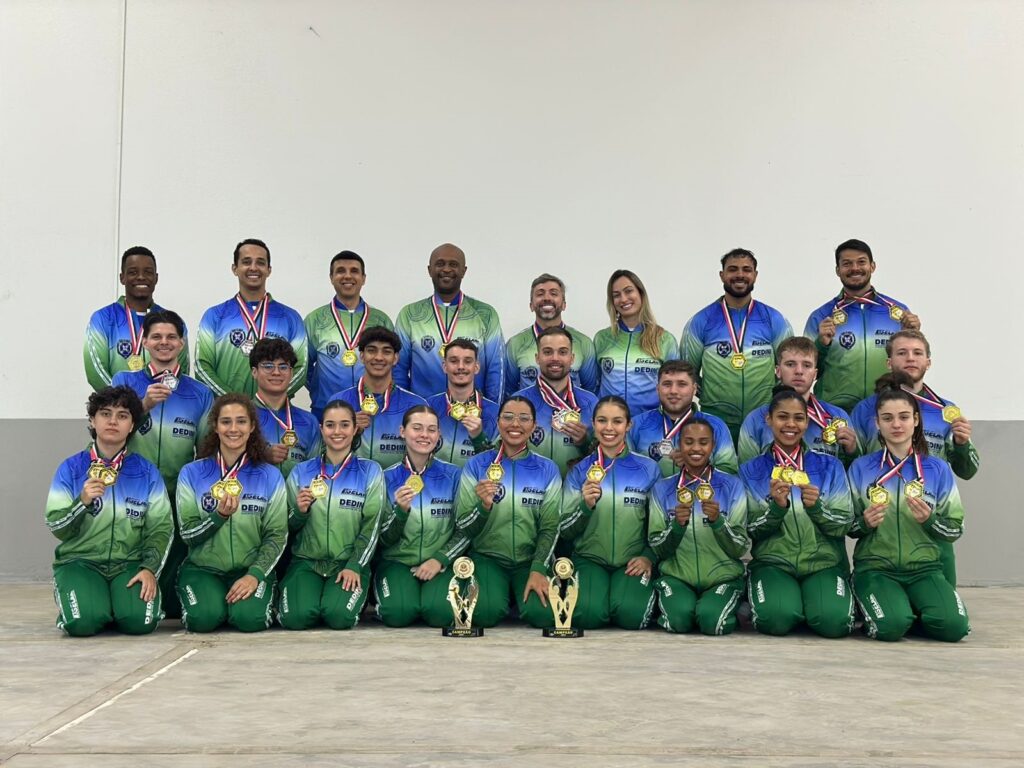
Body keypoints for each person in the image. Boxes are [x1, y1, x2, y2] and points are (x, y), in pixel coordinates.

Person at [46, 386, 172, 636]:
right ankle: (85, 599)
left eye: (122, 415)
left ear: (132, 424)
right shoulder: (71, 469)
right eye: (105, 414)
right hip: (81, 562)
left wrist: (149, 568)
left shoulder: (146, 472)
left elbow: (161, 527)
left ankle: (114, 603)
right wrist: (81, 502)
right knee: (82, 624)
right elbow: (57, 527)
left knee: (140, 623)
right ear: (93, 420)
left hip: (129, 563)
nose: (113, 421)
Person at [112, 310, 213, 618]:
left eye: (171, 337)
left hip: (174, 496)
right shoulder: (124, 382)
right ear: (144, 341)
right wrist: (141, 406)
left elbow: (206, 454)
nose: (164, 343)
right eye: (156, 336)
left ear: (181, 343)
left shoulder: (199, 393)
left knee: (170, 599)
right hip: (130, 491)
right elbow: (109, 435)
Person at [847, 386, 969, 642]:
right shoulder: (861, 468)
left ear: (916, 420)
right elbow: (848, 526)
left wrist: (931, 521)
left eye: (904, 417)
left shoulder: (938, 469)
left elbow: (956, 528)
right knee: (891, 627)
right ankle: (877, 604)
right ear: (877, 423)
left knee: (953, 628)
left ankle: (906, 607)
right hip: (876, 568)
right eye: (888, 418)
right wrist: (865, 523)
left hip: (925, 569)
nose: (896, 424)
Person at [739, 386, 854, 638]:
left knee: (833, 624)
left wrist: (817, 509)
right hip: (774, 563)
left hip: (822, 563)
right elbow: (748, 530)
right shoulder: (751, 471)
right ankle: (781, 601)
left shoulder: (830, 466)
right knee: (776, 621)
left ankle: (810, 603)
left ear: (806, 422)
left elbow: (844, 524)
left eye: (798, 418)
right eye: (782, 416)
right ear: (769, 420)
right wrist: (776, 510)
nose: (790, 424)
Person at [175, 394, 287, 632]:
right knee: (203, 620)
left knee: (250, 620)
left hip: (250, 568)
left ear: (252, 426)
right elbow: (187, 534)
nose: (233, 429)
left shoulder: (270, 475)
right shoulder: (192, 473)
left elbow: (276, 535)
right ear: (215, 426)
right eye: (226, 422)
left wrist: (255, 575)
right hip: (203, 569)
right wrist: (218, 517)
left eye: (241, 421)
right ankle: (211, 602)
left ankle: (252, 598)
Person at [454, 396, 562, 628]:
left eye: (524, 419)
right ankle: (498, 594)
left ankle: (518, 594)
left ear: (533, 426)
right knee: (484, 614)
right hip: (488, 557)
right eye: (508, 417)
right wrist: (483, 507)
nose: (515, 424)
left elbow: (551, 526)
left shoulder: (547, 469)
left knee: (544, 616)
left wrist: (538, 568)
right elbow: (463, 525)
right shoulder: (477, 465)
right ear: (498, 422)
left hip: (528, 559)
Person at [277, 400, 385, 630]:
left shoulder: (370, 471)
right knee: (296, 619)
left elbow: (372, 526)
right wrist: (299, 511)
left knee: (338, 617)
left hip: (347, 563)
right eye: (330, 425)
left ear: (355, 429)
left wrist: (355, 564)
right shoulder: (301, 471)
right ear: (321, 429)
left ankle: (337, 596)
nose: (337, 432)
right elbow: (284, 526)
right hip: (307, 562)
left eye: (344, 425)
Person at [560, 396, 662, 629]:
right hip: (589, 560)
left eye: (617, 422)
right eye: (602, 421)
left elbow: (659, 523)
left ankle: (622, 596)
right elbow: (565, 530)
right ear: (593, 424)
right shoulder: (580, 471)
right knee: (587, 616)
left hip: (632, 561)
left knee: (631, 616)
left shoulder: (648, 469)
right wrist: (585, 506)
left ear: (628, 426)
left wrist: (649, 556)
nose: (609, 428)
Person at [680, 248, 793, 443]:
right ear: (722, 275)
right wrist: (709, 395)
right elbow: (686, 373)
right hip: (716, 420)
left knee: (761, 472)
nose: (740, 275)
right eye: (733, 269)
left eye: (746, 270)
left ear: (755, 275)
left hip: (763, 418)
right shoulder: (701, 321)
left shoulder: (773, 319)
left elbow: (789, 369)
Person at [648, 418, 749, 635]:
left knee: (712, 622)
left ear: (713, 446)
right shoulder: (663, 489)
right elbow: (657, 545)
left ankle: (726, 604)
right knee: (678, 621)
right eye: (689, 442)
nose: (695, 448)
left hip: (722, 576)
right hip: (678, 576)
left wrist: (718, 522)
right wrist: (677, 526)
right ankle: (686, 604)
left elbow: (740, 547)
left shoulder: (732, 486)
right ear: (679, 445)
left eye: (703, 442)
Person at [375, 405, 467, 627]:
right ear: (402, 431)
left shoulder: (454, 475)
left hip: (439, 562)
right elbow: (382, 539)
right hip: (397, 562)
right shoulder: (385, 477)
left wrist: (440, 559)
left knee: (440, 615)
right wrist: (400, 512)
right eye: (417, 428)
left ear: (438, 435)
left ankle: (426, 596)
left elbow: (466, 529)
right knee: (398, 614)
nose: (424, 435)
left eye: (431, 429)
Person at [804, 238, 921, 411]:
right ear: (837, 270)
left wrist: (915, 335)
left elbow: (917, 365)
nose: (855, 268)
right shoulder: (821, 316)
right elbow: (805, 372)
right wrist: (821, 344)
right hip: (836, 414)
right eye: (847, 263)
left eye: (861, 262)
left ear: (872, 266)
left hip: (886, 413)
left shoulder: (899, 314)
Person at [850, 331, 979, 480]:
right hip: (879, 497)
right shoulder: (865, 409)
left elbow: (968, 472)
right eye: (902, 353)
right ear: (889, 363)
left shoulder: (945, 411)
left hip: (928, 499)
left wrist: (961, 445)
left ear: (928, 363)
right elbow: (852, 465)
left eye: (917, 353)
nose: (910, 358)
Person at [195, 238, 307, 398]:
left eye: (260, 263)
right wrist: (234, 403)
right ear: (235, 268)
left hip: (275, 414)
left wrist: (268, 400)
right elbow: (202, 367)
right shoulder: (214, 315)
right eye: (246, 262)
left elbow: (301, 368)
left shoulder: (290, 317)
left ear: (269, 269)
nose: (253, 267)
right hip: (228, 414)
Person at [395, 243, 505, 401]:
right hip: (423, 416)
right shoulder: (410, 315)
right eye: (440, 264)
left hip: (473, 415)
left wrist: (492, 412)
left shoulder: (486, 314)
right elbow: (398, 369)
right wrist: (405, 410)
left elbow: (496, 370)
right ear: (429, 270)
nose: (446, 269)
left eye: (453, 264)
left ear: (464, 271)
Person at [738, 336, 859, 465]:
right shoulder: (755, 420)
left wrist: (852, 452)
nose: (799, 371)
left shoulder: (837, 417)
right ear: (778, 371)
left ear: (815, 374)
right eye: (790, 364)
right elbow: (747, 475)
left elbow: (850, 475)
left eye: (807, 365)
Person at [304, 250, 394, 420]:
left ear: (363, 278)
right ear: (331, 277)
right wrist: (319, 389)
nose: (347, 276)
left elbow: (393, 365)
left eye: (354, 271)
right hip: (326, 411)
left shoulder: (381, 320)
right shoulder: (315, 320)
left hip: (372, 412)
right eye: (340, 271)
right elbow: (304, 367)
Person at [84, 246, 189, 391]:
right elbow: (96, 372)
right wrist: (127, 405)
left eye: (148, 272)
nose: (141, 277)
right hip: (119, 410)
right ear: (122, 277)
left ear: (156, 278)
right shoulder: (103, 318)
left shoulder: (172, 321)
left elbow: (180, 371)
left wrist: (157, 405)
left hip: (162, 411)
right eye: (133, 272)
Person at [330, 326, 426, 469]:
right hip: (353, 489)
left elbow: (425, 457)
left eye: (386, 352)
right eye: (371, 350)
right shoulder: (338, 403)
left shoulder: (416, 405)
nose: (379, 357)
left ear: (395, 358)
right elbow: (326, 456)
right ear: (362, 356)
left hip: (398, 488)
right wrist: (349, 430)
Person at [627, 360, 737, 477]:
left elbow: (730, 475)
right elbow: (624, 470)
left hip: (700, 494)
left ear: (694, 389)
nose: (673, 391)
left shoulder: (716, 426)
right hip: (652, 495)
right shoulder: (637, 425)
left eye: (682, 384)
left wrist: (699, 468)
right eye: (667, 384)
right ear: (658, 388)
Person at [512, 327, 598, 476]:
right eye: (547, 352)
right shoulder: (518, 403)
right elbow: (504, 453)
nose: (555, 358)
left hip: (576, 493)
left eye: (562, 352)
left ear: (572, 358)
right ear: (537, 358)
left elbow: (605, 458)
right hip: (530, 492)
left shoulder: (591, 403)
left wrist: (585, 442)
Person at [594, 269, 679, 416]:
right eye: (616, 295)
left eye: (628, 291)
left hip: (651, 425)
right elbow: (592, 385)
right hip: (611, 426)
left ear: (641, 294)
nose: (623, 299)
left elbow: (675, 386)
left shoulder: (664, 339)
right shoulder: (602, 338)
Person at [504, 273, 598, 396]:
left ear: (564, 304)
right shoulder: (515, 344)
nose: (547, 298)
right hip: (531, 413)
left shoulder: (583, 343)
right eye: (540, 294)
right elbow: (509, 391)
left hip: (572, 413)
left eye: (553, 293)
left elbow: (590, 390)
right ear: (531, 305)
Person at [249, 339, 321, 480]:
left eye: (283, 367)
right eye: (268, 366)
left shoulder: (309, 422)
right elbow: (224, 463)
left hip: (297, 501)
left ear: (291, 372)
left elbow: (315, 473)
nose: (276, 372)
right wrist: (260, 456)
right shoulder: (239, 417)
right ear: (254, 372)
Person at [425, 339, 500, 467]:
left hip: (474, 485)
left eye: (467, 361)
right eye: (454, 361)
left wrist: (479, 438)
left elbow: (496, 466)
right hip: (435, 485)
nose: (460, 367)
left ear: (476, 367)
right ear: (445, 367)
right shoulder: (427, 407)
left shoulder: (496, 413)